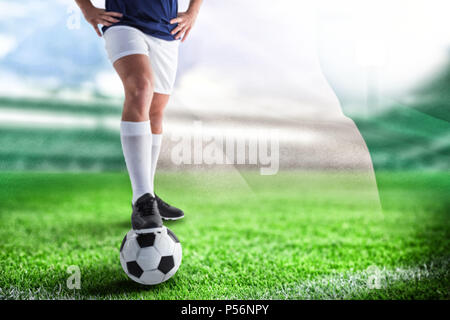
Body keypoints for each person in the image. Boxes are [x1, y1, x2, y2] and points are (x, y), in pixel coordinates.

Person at [75, 0, 203, 233]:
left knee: (155, 111)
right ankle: (143, 199)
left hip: (166, 29)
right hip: (123, 22)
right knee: (141, 87)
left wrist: (193, 12)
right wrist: (87, 9)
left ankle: (147, 195)